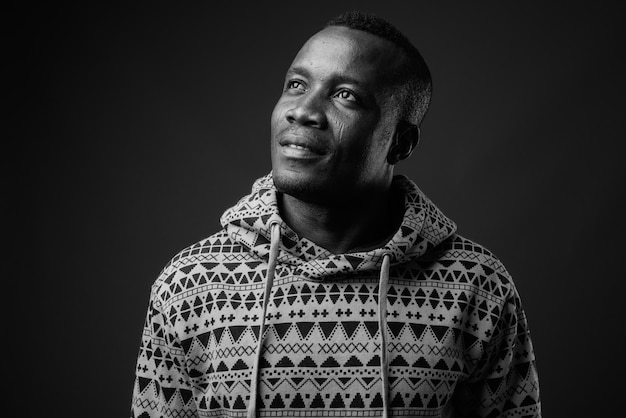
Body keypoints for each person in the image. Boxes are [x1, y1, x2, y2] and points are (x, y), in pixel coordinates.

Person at [130, 10, 541, 418]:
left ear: (401, 143)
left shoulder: (478, 287)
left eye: (345, 95)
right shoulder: (188, 286)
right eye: (295, 85)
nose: (302, 110)